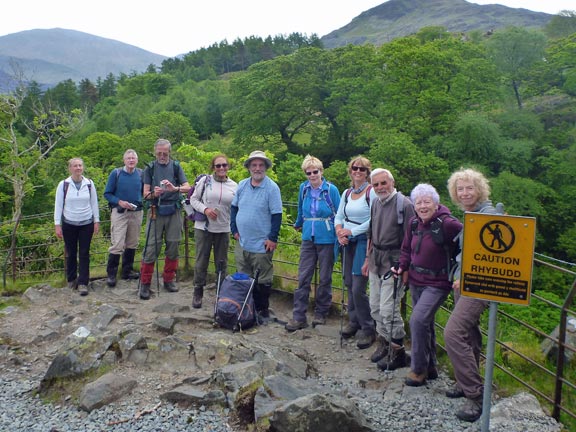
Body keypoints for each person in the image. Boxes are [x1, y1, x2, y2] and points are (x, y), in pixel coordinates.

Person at [392, 183, 462, 387]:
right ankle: (430, 367)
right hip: (416, 280)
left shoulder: (449, 224)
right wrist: (401, 266)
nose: (422, 206)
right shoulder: (414, 223)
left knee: (417, 320)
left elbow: (466, 243)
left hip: (438, 282)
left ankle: (418, 369)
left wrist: (461, 271)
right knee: (426, 323)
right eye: (418, 202)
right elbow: (406, 249)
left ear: (436, 203)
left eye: (427, 202)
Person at [444, 168, 497, 423]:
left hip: (480, 285)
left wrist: (466, 277)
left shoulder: (489, 215)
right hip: (462, 283)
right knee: (469, 333)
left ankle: (476, 395)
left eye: (469, 188)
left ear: (480, 189)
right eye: (460, 189)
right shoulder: (472, 215)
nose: (465, 193)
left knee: (453, 332)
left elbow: (490, 255)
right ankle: (466, 384)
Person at [361, 168, 414, 369]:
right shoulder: (375, 202)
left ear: (392, 182)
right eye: (376, 184)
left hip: (395, 262)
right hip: (376, 258)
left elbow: (411, 239)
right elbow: (371, 233)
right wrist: (367, 259)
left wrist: (406, 267)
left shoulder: (405, 205)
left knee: (388, 310)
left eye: (384, 183)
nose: (380, 187)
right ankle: (384, 343)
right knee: (375, 307)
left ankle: (398, 352)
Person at [285, 155, 341, 331]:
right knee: (303, 277)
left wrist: (339, 233)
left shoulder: (331, 190)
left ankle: (321, 313)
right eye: (308, 173)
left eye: (315, 172)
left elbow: (339, 213)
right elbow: (301, 209)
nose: (312, 175)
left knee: (325, 277)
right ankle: (299, 315)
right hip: (308, 237)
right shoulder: (304, 189)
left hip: (327, 237)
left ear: (321, 171)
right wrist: (298, 223)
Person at [230, 150, 283, 323]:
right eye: (254, 165)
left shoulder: (272, 188)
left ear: (266, 167)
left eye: (261, 165)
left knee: (263, 279)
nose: (257, 168)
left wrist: (272, 238)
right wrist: (234, 229)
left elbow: (277, 215)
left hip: (262, 243)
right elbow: (234, 208)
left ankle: (262, 310)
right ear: (249, 168)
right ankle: (246, 308)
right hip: (242, 241)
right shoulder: (242, 185)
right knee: (244, 277)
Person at [139, 138, 190, 300]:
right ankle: (145, 283)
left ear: (169, 152)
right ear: (155, 152)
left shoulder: (176, 166)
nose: (162, 156)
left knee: (173, 244)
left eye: (164, 153)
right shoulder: (150, 169)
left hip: (173, 210)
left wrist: (174, 188)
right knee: (151, 247)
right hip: (155, 210)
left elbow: (188, 188)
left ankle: (169, 279)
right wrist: (154, 193)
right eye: (159, 153)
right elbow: (145, 194)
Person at [334, 156, 377, 349]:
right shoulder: (346, 193)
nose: (358, 172)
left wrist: (351, 231)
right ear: (350, 171)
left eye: (362, 169)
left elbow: (374, 219)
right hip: (347, 240)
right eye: (354, 168)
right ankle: (354, 321)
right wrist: (339, 232)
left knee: (359, 286)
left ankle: (368, 328)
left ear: (367, 173)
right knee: (348, 282)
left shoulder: (372, 192)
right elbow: (339, 215)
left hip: (363, 241)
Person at [189, 154, 238, 309]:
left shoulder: (234, 186)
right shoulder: (205, 181)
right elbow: (193, 199)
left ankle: (220, 294)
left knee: (222, 263)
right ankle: (198, 292)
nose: (221, 168)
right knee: (201, 261)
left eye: (224, 165)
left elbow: (236, 208)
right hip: (204, 227)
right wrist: (206, 209)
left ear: (228, 166)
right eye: (218, 166)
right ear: (213, 167)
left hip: (223, 229)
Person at [54, 157, 100, 296]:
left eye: (80, 165)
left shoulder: (89, 184)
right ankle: (71, 279)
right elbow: (58, 205)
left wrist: (96, 221)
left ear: (83, 167)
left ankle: (83, 283)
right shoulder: (64, 185)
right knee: (71, 253)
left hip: (86, 223)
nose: (78, 168)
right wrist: (57, 224)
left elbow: (94, 203)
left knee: (84, 253)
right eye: (75, 166)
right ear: (70, 168)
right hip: (69, 223)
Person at [103, 149, 143, 287]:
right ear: (124, 160)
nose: (131, 160)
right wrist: (119, 202)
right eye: (128, 158)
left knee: (132, 242)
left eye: (133, 158)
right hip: (120, 212)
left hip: (136, 212)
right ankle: (112, 274)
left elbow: (145, 192)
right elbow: (107, 193)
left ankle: (127, 271)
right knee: (118, 243)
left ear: (137, 160)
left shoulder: (141, 174)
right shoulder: (116, 173)